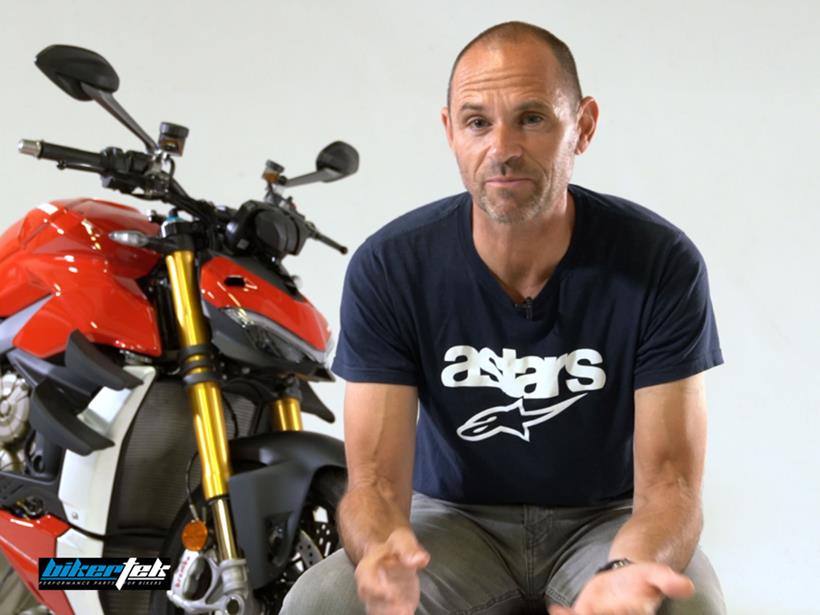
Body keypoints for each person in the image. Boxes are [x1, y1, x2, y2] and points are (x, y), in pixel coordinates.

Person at [282, 21, 726, 615]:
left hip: (605, 523)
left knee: (681, 605)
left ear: (584, 126)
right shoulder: (391, 267)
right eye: (477, 122)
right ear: (450, 132)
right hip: (452, 523)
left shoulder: (658, 263)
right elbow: (377, 486)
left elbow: (671, 485)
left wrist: (630, 567)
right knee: (323, 601)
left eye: (533, 118)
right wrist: (383, 548)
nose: (502, 148)